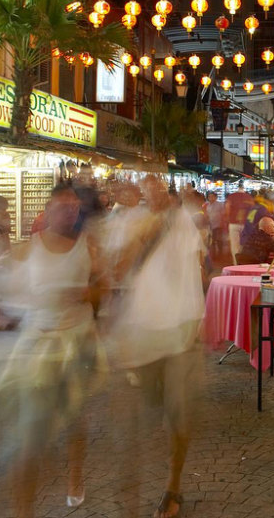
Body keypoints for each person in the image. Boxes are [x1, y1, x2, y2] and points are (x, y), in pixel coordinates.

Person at [0, 184, 107, 517]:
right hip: (37, 348)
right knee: (28, 438)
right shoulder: (25, 250)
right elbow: (8, 292)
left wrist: (84, 293)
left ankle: (75, 477)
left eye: (75, 207)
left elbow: (102, 292)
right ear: (48, 211)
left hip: (76, 344)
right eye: (64, 206)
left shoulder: (88, 247)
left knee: (75, 422)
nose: (71, 212)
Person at [108, 174, 205, 518]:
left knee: (176, 414)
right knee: (151, 403)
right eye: (146, 188)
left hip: (180, 330)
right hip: (144, 330)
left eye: (158, 187)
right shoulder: (131, 223)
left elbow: (197, 266)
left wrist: (195, 317)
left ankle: (172, 486)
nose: (152, 193)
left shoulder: (183, 223)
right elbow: (117, 271)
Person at [225, 185, 254, 264]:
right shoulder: (249, 198)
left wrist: (228, 219)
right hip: (245, 224)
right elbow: (252, 211)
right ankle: (243, 263)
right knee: (244, 245)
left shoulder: (231, 197)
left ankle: (236, 264)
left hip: (233, 223)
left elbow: (227, 209)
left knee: (235, 246)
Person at [204, 192, 226, 258]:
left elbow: (223, 214)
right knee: (212, 241)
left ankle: (220, 254)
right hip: (210, 225)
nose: (211, 198)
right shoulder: (207, 205)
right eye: (209, 197)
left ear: (216, 197)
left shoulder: (220, 204)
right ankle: (214, 255)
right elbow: (206, 215)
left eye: (212, 196)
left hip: (218, 225)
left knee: (219, 240)